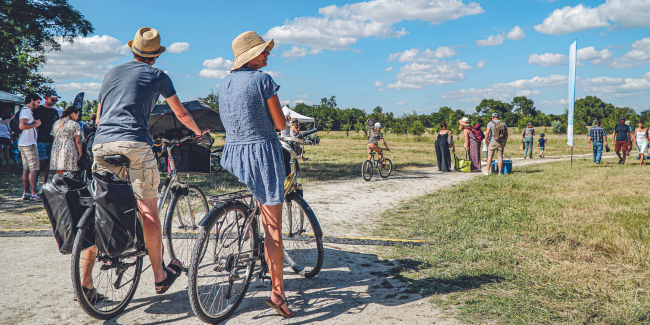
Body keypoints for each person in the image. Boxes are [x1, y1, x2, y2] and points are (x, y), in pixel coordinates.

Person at [92, 27, 209, 298]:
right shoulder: (158, 75)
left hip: (101, 143)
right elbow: (179, 112)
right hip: (134, 143)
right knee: (149, 211)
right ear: (155, 56)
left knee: (102, 207)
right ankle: (159, 276)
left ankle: (84, 283)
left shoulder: (110, 73)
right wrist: (198, 131)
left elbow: (99, 119)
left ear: (132, 51)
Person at [219, 31, 295, 318]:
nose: (267, 55)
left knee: (256, 209)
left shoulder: (224, 83)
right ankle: (278, 293)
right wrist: (285, 122)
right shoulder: (263, 80)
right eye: (264, 51)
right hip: (261, 154)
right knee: (273, 228)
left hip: (233, 154)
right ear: (251, 56)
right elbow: (278, 124)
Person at [18, 94, 42, 201]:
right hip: (29, 144)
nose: (38, 104)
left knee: (26, 169)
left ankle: (26, 193)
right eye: (37, 102)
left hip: (24, 143)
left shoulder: (25, 111)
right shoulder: (26, 111)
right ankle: (33, 194)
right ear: (32, 100)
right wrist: (36, 124)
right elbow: (22, 126)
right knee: (34, 169)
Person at [32, 90, 60, 185]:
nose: (54, 102)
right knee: (40, 164)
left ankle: (45, 184)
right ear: (47, 98)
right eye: (52, 100)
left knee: (48, 164)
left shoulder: (54, 111)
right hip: (40, 140)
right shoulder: (38, 110)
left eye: (56, 100)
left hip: (51, 140)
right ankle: (34, 184)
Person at [50, 107, 82, 174]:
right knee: (68, 169)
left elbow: (53, 136)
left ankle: (58, 183)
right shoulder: (75, 124)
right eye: (77, 115)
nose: (77, 117)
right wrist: (80, 152)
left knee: (58, 170)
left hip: (56, 147)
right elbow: (78, 141)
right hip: (68, 146)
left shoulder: (56, 123)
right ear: (73, 114)